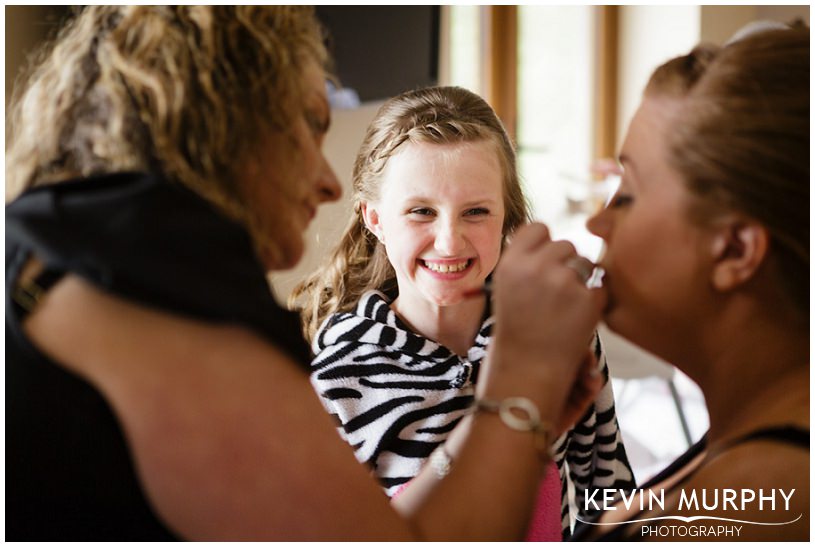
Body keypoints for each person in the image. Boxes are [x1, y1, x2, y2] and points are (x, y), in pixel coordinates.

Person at [6, 6, 607, 541]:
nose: (326, 182)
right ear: (229, 133)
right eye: (309, 127)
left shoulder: (53, 260)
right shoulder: (162, 322)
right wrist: (518, 386)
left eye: (476, 211)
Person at [292, 86, 635, 539]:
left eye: (475, 211)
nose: (449, 242)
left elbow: (607, 493)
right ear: (374, 218)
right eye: (421, 212)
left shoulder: (558, 336)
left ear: (508, 217)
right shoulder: (335, 377)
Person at [572, 25, 809, 541]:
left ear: (734, 249)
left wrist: (511, 396)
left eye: (629, 195)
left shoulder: (759, 498)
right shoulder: (747, 434)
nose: (597, 223)